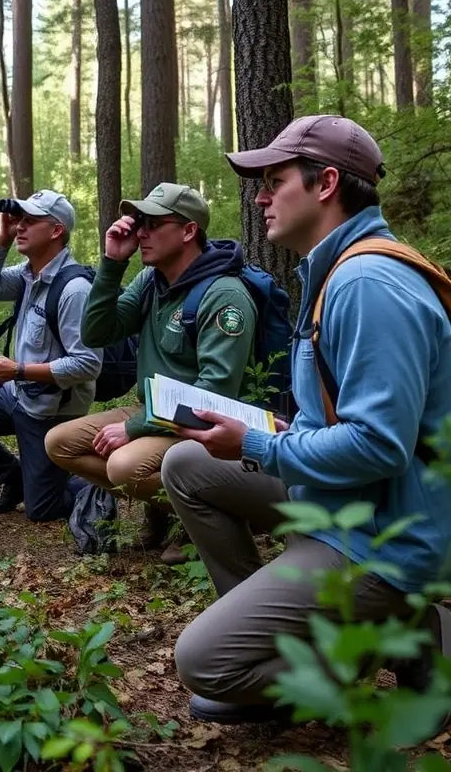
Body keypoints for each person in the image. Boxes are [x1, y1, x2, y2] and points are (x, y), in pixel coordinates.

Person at [161, 115, 451, 724]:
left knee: (204, 662)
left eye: (275, 182)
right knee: (187, 464)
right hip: (350, 498)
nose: (260, 198)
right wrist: (275, 434)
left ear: (326, 183)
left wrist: (260, 446)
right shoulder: (336, 271)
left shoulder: (368, 283)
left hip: (384, 536)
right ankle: (281, 638)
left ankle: (405, 633)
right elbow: (344, 415)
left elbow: (380, 446)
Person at [46, 183, 257, 564]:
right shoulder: (151, 282)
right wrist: (112, 263)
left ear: (188, 231)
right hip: (156, 412)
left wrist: (133, 428)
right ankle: (167, 510)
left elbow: (213, 393)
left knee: (124, 466)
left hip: (203, 425)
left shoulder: (224, 296)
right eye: (140, 222)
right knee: (60, 442)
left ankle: (209, 516)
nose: (141, 232)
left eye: (154, 224)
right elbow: (97, 333)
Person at [0, 190, 102, 521]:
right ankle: (14, 479)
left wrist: (19, 370)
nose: (20, 226)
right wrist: (2, 236)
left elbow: (88, 363)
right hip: (17, 394)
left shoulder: (74, 290)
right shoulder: (28, 275)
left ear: (56, 230)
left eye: (30, 221)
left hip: (50, 411)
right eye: (19, 220)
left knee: (42, 510)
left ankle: (92, 484)